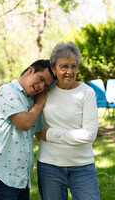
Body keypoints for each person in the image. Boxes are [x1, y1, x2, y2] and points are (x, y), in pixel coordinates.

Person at [0, 59, 54, 200]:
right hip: (1, 175)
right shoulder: (6, 91)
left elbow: (39, 133)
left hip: (21, 177)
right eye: (40, 80)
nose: (41, 87)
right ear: (30, 70)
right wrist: (40, 104)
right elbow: (25, 123)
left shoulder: (31, 100)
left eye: (45, 86)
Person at [37, 42, 101, 200]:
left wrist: (51, 134)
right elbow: (21, 91)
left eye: (74, 66)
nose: (69, 72)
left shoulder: (87, 93)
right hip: (49, 166)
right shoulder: (45, 91)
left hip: (82, 167)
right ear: (53, 68)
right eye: (64, 66)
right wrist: (4, 88)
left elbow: (89, 134)